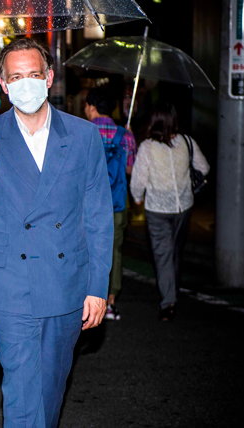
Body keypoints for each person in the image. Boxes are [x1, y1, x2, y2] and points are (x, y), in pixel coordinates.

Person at [0, 38, 112, 428]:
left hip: (66, 283)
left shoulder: (82, 136)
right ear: (3, 85)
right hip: (11, 285)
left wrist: (98, 287)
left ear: (48, 78)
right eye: (16, 77)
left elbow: (97, 217)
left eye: (33, 74)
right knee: (23, 393)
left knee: (50, 390)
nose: (25, 83)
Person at [130, 101, 209, 322]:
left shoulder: (148, 147)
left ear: (154, 121)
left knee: (163, 254)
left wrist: (137, 197)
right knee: (174, 250)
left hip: (157, 209)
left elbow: (138, 179)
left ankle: (168, 302)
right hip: (183, 207)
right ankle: (172, 290)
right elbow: (203, 167)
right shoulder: (187, 142)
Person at [85, 87, 137, 321]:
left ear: (92, 107)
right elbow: (130, 170)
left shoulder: (82, 132)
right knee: (113, 251)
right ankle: (110, 301)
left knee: (84, 248)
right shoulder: (125, 135)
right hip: (115, 203)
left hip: (85, 205)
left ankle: (85, 297)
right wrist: (129, 138)